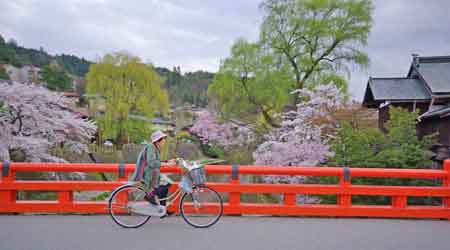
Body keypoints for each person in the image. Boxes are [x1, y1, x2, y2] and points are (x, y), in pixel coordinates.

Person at [130, 130, 176, 216]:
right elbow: (151, 162)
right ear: (158, 140)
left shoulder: (154, 148)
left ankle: (163, 210)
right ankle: (149, 195)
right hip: (144, 174)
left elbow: (156, 161)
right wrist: (167, 164)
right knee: (165, 185)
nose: (164, 141)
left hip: (151, 173)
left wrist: (168, 161)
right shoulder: (151, 147)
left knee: (166, 186)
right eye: (163, 139)